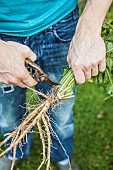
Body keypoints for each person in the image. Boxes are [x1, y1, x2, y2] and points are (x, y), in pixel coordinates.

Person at [0, 0, 112, 170]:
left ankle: (62, 157)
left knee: (62, 116)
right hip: (3, 36)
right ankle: (14, 152)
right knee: (8, 115)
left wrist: (90, 30)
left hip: (61, 24)